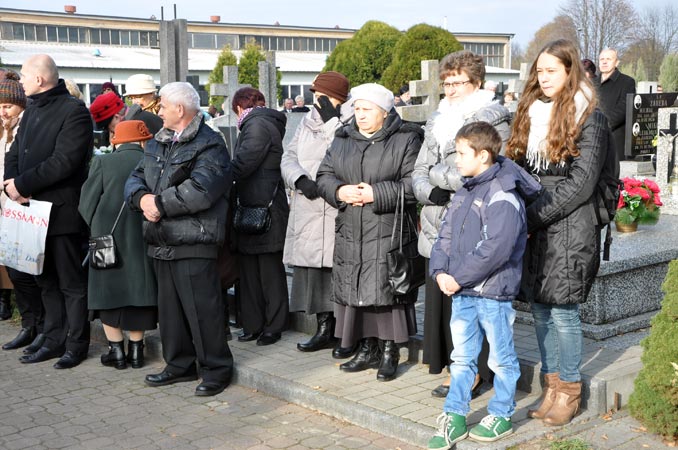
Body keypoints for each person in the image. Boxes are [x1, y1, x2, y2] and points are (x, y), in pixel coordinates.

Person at [507, 39, 610, 426]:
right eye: (540, 71)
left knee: (564, 313)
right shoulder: (532, 111)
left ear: (570, 71)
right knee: (539, 310)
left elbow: (581, 185)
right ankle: (550, 387)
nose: (543, 77)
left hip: (571, 225)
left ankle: (569, 390)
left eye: (552, 70)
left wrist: (530, 218)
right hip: (537, 221)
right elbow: (518, 167)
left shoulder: (590, 117)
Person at [427, 122, 540, 448]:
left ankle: (501, 413)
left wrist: (457, 277)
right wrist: (440, 271)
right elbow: (446, 235)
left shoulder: (503, 194)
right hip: (462, 291)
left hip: (492, 293)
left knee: (501, 359)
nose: (456, 160)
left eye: (462, 153)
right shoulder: (466, 189)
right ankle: (455, 415)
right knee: (461, 358)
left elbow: (496, 249)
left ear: (484, 155)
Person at [125, 82, 234, 396]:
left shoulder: (209, 143)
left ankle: (216, 369)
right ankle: (179, 365)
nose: (158, 111)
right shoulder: (159, 141)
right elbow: (136, 176)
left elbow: (201, 190)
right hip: (161, 238)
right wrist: (142, 199)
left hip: (194, 239)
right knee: (170, 312)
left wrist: (159, 204)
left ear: (180, 109)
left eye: (162, 106)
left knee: (203, 311)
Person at [412, 50, 511, 397]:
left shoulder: (493, 119)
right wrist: (429, 191)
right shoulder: (438, 119)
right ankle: (452, 366)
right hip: (436, 219)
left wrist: (439, 177)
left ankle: (473, 373)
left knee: (470, 302)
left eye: (458, 82)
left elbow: (488, 170)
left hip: (472, 221)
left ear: (477, 82)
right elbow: (419, 170)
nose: (451, 90)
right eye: (447, 83)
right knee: (443, 304)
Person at [316, 83, 423, 382]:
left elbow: (414, 184)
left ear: (385, 112)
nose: (360, 115)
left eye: (367, 109)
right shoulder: (343, 138)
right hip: (352, 227)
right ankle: (366, 348)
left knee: (386, 290)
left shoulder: (406, 138)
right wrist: (339, 191)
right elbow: (323, 175)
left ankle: (389, 350)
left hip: (387, 228)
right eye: (357, 109)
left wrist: (376, 193)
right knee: (357, 289)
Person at [5, 54, 93, 369]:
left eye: (24, 77)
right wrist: (11, 184)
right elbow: (15, 152)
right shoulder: (30, 111)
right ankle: (53, 339)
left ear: (40, 79)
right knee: (45, 281)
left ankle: (76, 344)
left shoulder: (74, 111)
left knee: (71, 283)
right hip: (31, 211)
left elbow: (64, 161)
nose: (21, 83)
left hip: (61, 213)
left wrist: (23, 184)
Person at [281, 71, 351, 353]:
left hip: (335, 204)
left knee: (338, 270)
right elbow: (289, 155)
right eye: (315, 95)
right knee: (315, 272)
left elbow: (345, 151)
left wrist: (333, 121)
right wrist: (299, 179)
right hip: (309, 204)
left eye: (323, 96)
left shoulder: (350, 120)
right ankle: (323, 328)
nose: (317, 101)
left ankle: (345, 332)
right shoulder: (306, 120)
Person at [79, 120, 158, 370]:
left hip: (106, 240)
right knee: (138, 292)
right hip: (142, 236)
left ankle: (116, 352)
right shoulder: (151, 162)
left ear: (116, 141)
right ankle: (136, 351)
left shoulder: (104, 162)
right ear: (143, 140)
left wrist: (97, 225)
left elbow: (85, 204)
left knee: (107, 293)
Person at [230, 87, 289, 346]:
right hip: (255, 205)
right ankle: (254, 324)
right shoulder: (260, 122)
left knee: (267, 270)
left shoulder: (257, 125)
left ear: (240, 107)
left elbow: (244, 163)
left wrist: (218, 172)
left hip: (263, 207)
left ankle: (272, 326)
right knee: (251, 270)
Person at [0, 70, 45, 352]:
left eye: (7, 106)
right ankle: (29, 325)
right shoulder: (4, 131)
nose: (3, 112)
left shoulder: (27, 128)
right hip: (6, 208)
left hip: (25, 207)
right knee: (15, 272)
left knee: (31, 271)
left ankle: (41, 326)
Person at [89, 92, 162, 150]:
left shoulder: (142, 124)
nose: (109, 131)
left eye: (106, 126)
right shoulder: (136, 120)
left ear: (116, 117)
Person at [597, 48, 635, 161]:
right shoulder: (591, 83)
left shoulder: (627, 82)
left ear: (616, 62)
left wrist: (603, 124)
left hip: (614, 137)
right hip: (593, 135)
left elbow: (624, 108)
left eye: (608, 59)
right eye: (602, 59)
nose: (604, 62)